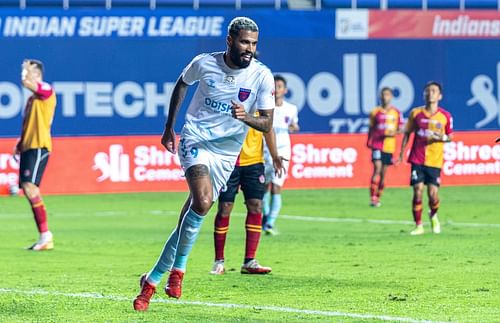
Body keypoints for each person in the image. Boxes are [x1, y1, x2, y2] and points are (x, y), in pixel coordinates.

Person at [133, 17, 276, 311]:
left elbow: (266, 123)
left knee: (190, 216)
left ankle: (152, 278)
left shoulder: (262, 76)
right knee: (204, 200)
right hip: (196, 138)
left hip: (226, 152)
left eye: (253, 43)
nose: (249, 48)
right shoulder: (204, 62)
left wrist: (246, 117)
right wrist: (168, 127)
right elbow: (182, 85)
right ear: (230, 40)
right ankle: (177, 272)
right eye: (244, 42)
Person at [210, 125, 283, 275]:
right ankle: (219, 261)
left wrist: (275, 155)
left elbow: (268, 128)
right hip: (229, 161)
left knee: (256, 206)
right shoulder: (230, 103)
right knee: (225, 207)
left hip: (254, 162)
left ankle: (250, 261)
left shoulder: (262, 104)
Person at [398, 81, 453, 236]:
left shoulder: (445, 116)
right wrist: (402, 152)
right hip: (417, 158)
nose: (430, 93)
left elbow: (451, 137)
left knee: (433, 195)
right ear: (424, 94)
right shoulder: (416, 113)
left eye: (434, 91)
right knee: (417, 190)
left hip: (434, 160)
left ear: (439, 96)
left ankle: (433, 214)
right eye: (427, 91)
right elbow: (408, 133)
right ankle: (418, 225)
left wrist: (440, 137)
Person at [14, 59, 57, 251]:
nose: (26, 75)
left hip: (39, 145)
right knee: (27, 187)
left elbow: (25, 83)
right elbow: (28, 123)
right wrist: (20, 143)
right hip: (29, 145)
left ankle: (46, 236)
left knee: (30, 187)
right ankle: (44, 236)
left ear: (37, 75)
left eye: (30, 72)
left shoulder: (46, 89)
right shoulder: (33, 99)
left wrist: (25, 69)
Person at [262, 75, 299, 235]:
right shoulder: (265, 107)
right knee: (264, 186)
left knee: (277, 186)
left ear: (285, 90)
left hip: (283, 151)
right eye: (274, 86)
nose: (276, 89)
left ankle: (270, 222)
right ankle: (265, 217)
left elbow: (294, 125)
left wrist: (294, 126)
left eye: (279, 86)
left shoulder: (291, 109)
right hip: (265, 151)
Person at [366, 87, 403, 207]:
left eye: (387, 94)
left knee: (383, 173)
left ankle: (378, 196)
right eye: (383, 95)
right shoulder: (375, 112)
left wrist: (395, 132)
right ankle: (372, 197)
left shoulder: (396, 113)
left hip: (389, 146)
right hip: (377, 144)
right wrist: (368, 141)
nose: (385, 97)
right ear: (380, 97)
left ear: (391, 96)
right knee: (377, 168)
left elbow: (402, 128)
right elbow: (371, 128)